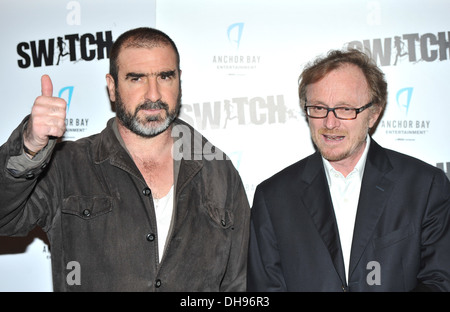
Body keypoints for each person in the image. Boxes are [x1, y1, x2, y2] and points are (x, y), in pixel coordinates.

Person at [0, 27, 250, 291]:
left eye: (165, 76)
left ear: (179, 80)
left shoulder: (220, 173)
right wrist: (29, 146)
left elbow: (240, 284)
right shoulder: (67, 166)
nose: (153, 95)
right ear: (112, 87)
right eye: (137, 78)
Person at [247, 48, 450, 292]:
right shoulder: (273, 197)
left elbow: (439, 282)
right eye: (319, 108)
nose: (330, 123)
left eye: (345, 109)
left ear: (373, 114)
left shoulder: (425, 186)